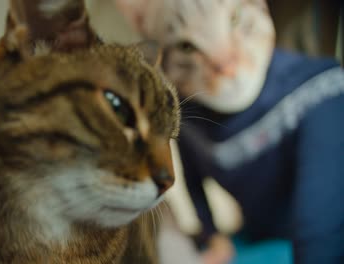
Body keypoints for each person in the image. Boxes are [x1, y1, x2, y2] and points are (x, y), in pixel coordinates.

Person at [114, 0, 344, 263]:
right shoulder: (192, 117)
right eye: (187, 45)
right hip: (254, 237)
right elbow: (192, 179)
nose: (226, 65)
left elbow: (321, 231)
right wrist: (212, 235)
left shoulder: (325, 89)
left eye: (234, 20)